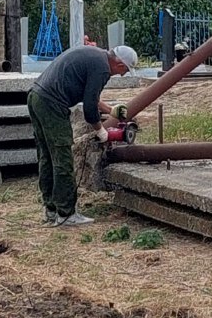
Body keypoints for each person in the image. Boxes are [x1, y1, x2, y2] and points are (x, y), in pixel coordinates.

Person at [27, 44, 139, 227]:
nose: (123, 74)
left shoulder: (96, 56)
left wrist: (111, 110)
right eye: (125, 70)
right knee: (62, 158)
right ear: (119, 64)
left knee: (47, 157)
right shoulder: (102, 68)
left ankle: (51, 211)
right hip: (52, 104)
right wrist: (101, 131)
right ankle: (66, 213)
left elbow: (89, 96)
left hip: (36, 97)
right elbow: (89, 109)